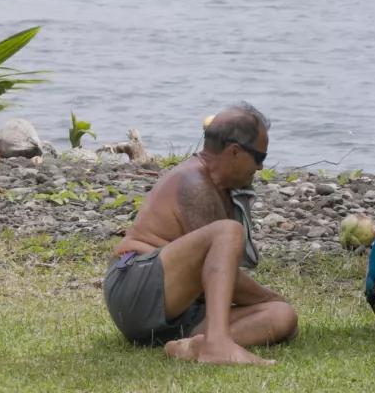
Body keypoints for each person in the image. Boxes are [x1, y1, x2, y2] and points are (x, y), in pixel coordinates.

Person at [102, 102, 297, 365]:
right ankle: (217, 345)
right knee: (228, 232)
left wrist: (276, 304)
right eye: (259, 157)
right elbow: (221, 273)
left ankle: (192, 346)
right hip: (133, 287)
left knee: (282, 316)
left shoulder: (219, 187)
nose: (260, 167)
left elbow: (217, 275)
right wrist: (268, 296)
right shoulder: (196, 185)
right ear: (235, 152)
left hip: (175, 312)